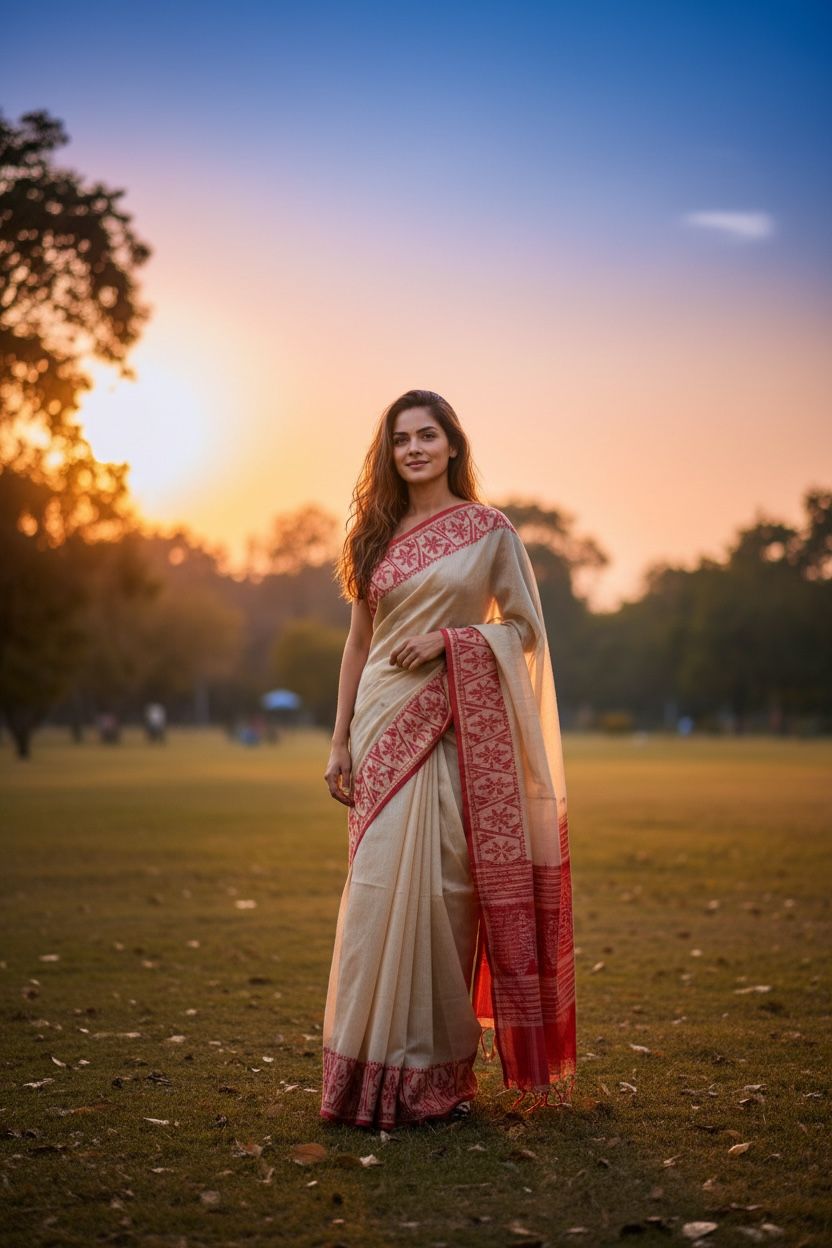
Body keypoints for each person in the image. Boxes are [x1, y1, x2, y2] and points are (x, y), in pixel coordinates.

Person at [321, 389, 576, 1129]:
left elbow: (524, 628)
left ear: (453, 445)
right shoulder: (374, 534)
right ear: (389, 452)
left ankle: (431, 1075)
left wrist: (452, 641)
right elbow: (359, 643)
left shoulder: (488, 531)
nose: (414, 449)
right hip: (379, 724)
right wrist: (338, 738)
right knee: (377, 893)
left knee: (441, 892)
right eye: (401, 439)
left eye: (427, 436)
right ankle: (363, 1073)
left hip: (451, 728)